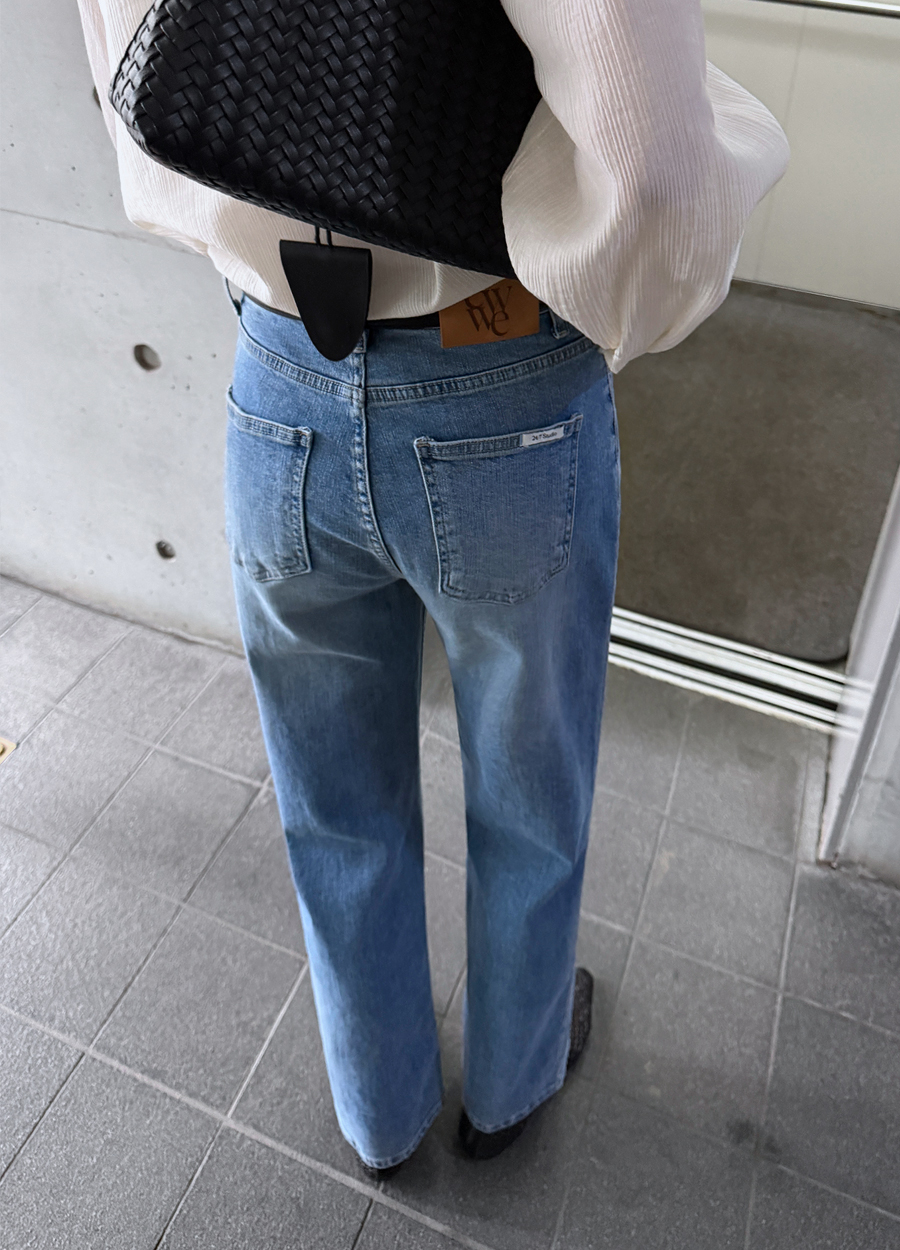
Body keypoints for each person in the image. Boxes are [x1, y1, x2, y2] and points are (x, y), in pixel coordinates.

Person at [77, 0, 788, 1175]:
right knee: (530, 783)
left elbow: (134, 73)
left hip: (279, 373)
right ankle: (509, 1087)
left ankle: (381, 1111)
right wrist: (625, 302)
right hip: (498, 370)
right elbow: (658, 167)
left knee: (330, 796)